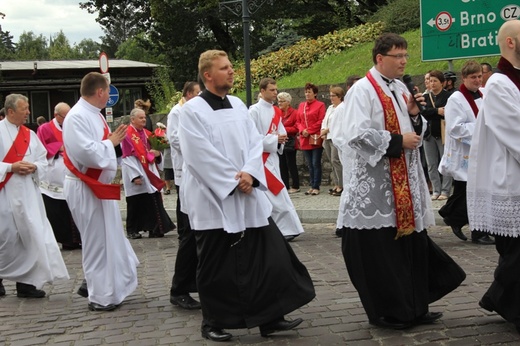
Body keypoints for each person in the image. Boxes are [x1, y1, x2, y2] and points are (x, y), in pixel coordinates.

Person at [178, 50, 315, 341]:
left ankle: (270, 317)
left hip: (248, 191)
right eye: (224, 68)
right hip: (214, 199)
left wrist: (251, 174)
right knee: (216, 265)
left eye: (231, 67)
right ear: (208, 75)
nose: (231, 72)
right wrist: (233, 180)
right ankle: (213, 321)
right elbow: (198, 155)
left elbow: (255, 144)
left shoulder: (239, 105)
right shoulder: (192, 112)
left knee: (267, 257)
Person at [338, 33, 465, 330]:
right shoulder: (362, 90)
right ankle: (390, 311)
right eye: (399, 56)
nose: (404, 61)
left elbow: (413, 131)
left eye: (406, 55)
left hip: (404, 185)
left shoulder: (398, 87)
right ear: (380, 58)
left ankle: (414, 306)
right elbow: (355, 135)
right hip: (378, 190)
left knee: (410, 249)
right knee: (383, 255)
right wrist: (397, 140)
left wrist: (414, 116)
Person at [62, 72, 139, 311]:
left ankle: (112, 288)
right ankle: (99, 296)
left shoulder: (94, 114)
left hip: (98, 188)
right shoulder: (76, 117)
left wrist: (112, 144)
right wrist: (111, 144)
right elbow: (87, 153)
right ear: (100, 92)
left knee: (109, 237)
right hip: (84, 186)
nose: (109, 95)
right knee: (96, 241)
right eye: (108, 91)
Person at [467, 20, 520, 334]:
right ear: (511, 42)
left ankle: (500, 298)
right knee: (515, 250)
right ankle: (506, 301)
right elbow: (512, 130)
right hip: (510, 177)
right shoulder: (500, 83)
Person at [0, 94, 69, 298]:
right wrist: (11, 166)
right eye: (24, 108)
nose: (28, 112)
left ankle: (27, 283)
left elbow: (42, 160)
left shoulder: (30, 134)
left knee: (30, 236)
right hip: (5, 193)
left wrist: (34, 166)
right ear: (11, 111)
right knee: (6, 237)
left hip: (28, 194)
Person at [438, 60, 494, 245]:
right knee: (471, 193)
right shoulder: (456, 99)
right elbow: (455, 128)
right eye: (473, 77)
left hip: (483, 150)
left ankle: (453, 217)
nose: (477, 80)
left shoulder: (484, 94)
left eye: (479, 76)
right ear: (464, 78)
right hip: (465, 153)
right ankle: (476, 230)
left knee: (472, 193)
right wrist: (482, 126)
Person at [249, 77, 304, 241]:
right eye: (272, 90)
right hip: (261, 159)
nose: (276, 93)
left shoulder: (276, 111)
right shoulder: (254, 111)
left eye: (276, 90)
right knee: (275, 192)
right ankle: (284, 228)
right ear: (262, 91)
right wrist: (273, 140)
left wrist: (280, 138)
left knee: (275, 192)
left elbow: (281, 131)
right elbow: (250, 137)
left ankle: (284, 228)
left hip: (272, 157)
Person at [166, 81, 202, 310]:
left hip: (201, 174)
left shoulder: (198, 109)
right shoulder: (179, 112)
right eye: (197, 93)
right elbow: (176, 139)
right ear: (188, 94)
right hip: (189, 172)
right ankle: (179, 288)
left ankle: (195, 282)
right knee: (189, 234)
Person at [120, 108, 175, 239]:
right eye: (141, 118)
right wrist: (135, 176)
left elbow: (155, 151)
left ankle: (154, 228)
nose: (144, 120)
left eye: (144, 117)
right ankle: (132, 230)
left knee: (151, 200)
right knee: (135, 203)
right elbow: (126, 157)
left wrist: (158, 154)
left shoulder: (147, 134)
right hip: (136, 171)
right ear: (132, 119)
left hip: (149, 170)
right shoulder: (127, 134)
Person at [36, 102, 82, 250]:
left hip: (73, 171)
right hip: (54, 175)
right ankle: (67, 240)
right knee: (59, 210)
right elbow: (40, 149)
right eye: (65, 116)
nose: (68, 118)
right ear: (56, 115)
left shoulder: (73, 126)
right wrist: (57, 147)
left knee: (75, 207)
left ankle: (80, 239)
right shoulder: (45, 129)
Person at [422, 70, 452, 200]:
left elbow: (447, 112)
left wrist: (435, 112)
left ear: (442, 83)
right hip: (428, 134)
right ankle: (435, 189)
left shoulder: (448, 96)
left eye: (435, 81)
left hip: (443, 134)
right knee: (431, 164)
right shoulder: (425, 97)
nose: (432, 83)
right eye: (430, 80)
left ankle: (445, 190)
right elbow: (423, 112)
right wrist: (436, 111)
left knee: (445, 162)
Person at [296, 82, 326, 195]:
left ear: (315, 94)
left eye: (309, 92)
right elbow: (298, 121)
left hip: (314, 137)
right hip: (304, 138)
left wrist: (309, 130)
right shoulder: (301, 105)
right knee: (309, 164)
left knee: (315, 163)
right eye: (306, 92)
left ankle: (316, 186)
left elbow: (320, 120)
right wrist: (302, 130)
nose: (307, 94)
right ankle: (312, 185)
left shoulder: (320, 105)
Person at [321, 86, 345, 196]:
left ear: (339, 96)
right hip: (327, 137)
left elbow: (338, 124)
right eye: (330, 96)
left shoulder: (342, 107)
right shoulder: (330, 107)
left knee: (336, 160)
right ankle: (336, 184)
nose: (331, 98)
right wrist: (323, 130)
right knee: (332, 161)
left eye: (333, 96)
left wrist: (326, 130)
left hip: (336, 136)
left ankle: (341, 185)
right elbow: (325, 120)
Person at [277, 92, 300, 194]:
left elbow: (296, 127)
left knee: (291, 164)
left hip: (290, 141)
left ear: (288, 102)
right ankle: (285, 185)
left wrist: (283, 130)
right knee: (282, 165)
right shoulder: (277, 113)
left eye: (282, 101)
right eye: (279, 101)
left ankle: (296, 185)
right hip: (280, 141)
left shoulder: (294, 113)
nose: (279, 103)